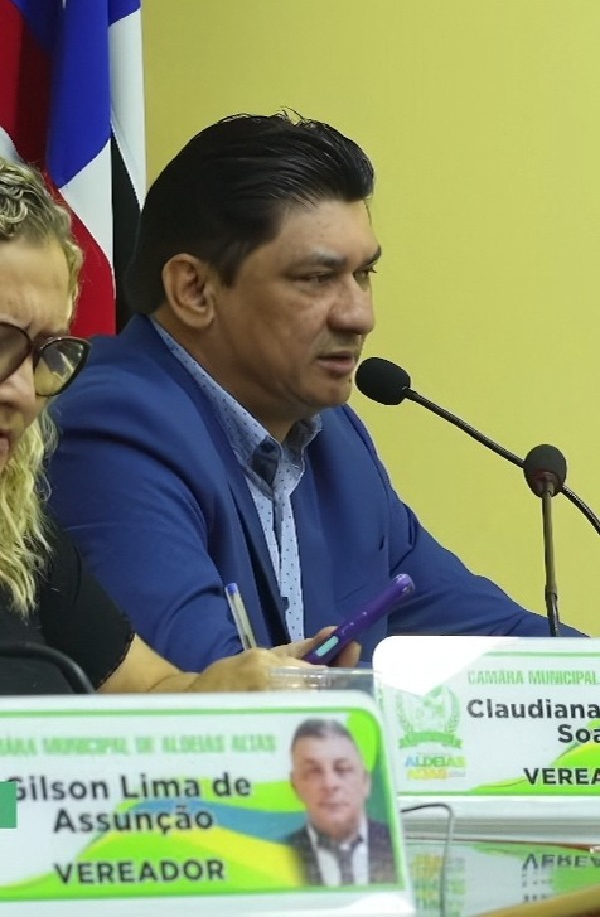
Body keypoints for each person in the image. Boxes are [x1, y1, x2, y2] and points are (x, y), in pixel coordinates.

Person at [47, 112, 582, 675]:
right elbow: (206, 698)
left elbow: (497, 640)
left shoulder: (333, 439)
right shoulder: (110, 428)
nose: (360, 315)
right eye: (317, 278)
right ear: (195, 289)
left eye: (364, 275)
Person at [0, 155, 357, 695]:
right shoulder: (123, 422)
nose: (25, 392)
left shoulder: (19, 529)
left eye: (47, 353)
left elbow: (148, 691)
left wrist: (229, 693)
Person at [287, 719, 396, 886]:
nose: (330, 784)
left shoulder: (398, 845)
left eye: (342, 769)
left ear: (365, 782)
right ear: (295, 786)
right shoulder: (277, 853)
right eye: (314, 772)